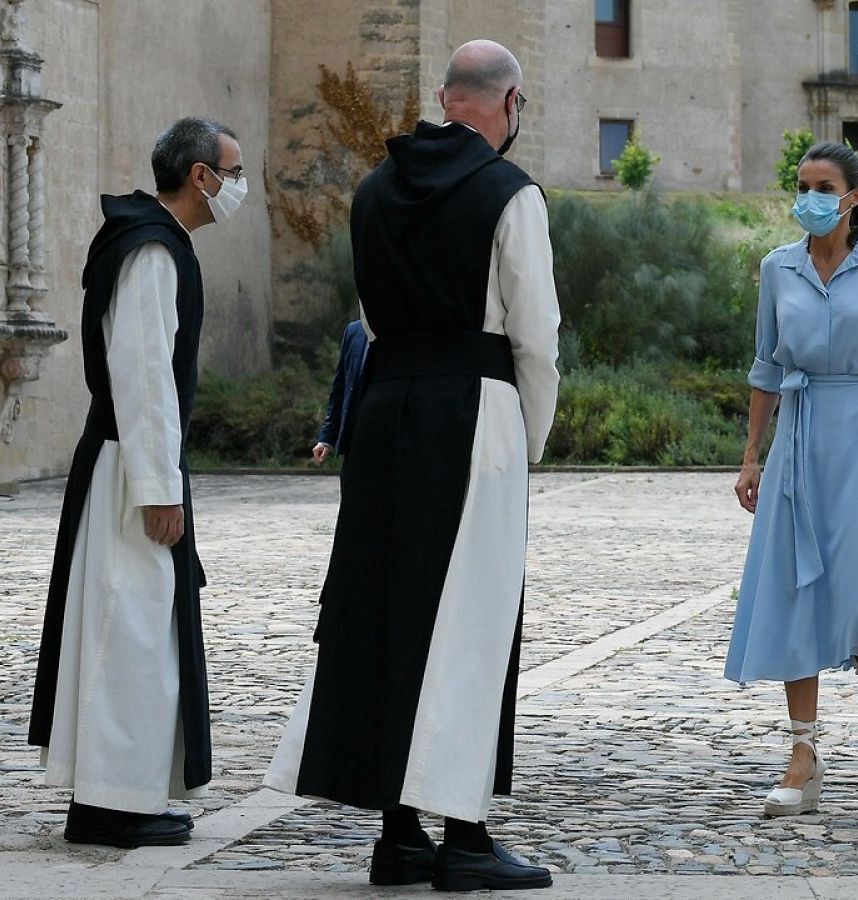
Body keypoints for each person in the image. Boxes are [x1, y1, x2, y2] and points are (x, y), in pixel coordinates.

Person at [264, 40, 560, 892]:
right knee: (472, 620)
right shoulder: (511, 193)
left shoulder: (373, 191)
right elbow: (536, 335)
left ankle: (398, 836)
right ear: (509, 103)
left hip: (386, 410)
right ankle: (465, 837)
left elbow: (370, 319)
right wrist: (528, 441)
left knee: (389, 613)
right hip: (474, 410)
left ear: (444, 95)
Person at [29, 117, 248, 847]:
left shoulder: (153, 241)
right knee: (131, 632)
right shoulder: (153, 250)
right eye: (232, 172)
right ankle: (112, 805)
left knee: (135, 628)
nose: (238, 186)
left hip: (128, 461)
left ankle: (117, 796)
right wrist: (159, 490)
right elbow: (143, 373)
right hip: (132, 467)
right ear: (199, 176)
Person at [726, 142, 858, 818]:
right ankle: (803, 751)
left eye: (823, 186)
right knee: (796, 585)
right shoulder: (776, 267)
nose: (808, 197)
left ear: (852, 197)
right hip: (798, 436)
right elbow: (765, 368)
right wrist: (752, 456)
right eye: (801, 184)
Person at [311, 319, 370, 464]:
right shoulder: (354, 331)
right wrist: (326, 438)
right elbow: (341, 387)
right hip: (354, 437)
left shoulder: (400, 329)